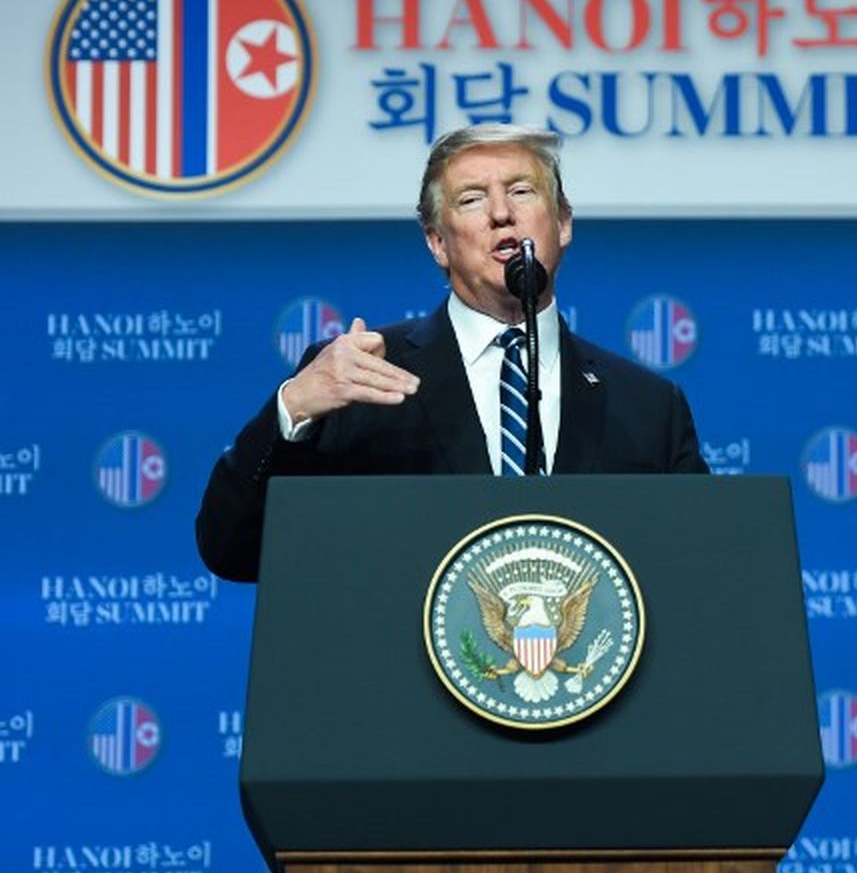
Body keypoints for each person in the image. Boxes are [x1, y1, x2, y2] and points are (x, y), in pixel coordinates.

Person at [196, 123, 708, 582]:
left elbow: (700, 571)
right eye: (472, 199)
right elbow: (232, 550)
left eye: (521, 191)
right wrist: (293, 411)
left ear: (563, 223)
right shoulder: (361, 376)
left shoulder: (647, 405)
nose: (502, 214)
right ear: (438, 242)